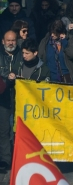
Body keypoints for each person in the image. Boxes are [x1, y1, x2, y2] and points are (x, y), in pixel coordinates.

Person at [0, 30, 22, 170]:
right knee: (4, 130)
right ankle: (5, 160)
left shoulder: (22, 54)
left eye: (13, 40)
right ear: (3, 41)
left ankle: (19, 158)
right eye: (8, 40)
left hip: (20, 97)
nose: (11, 43)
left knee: (19, 129)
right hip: (3, 98)